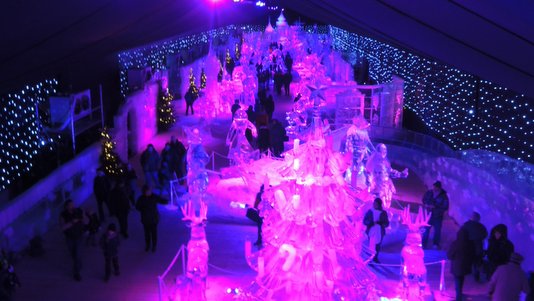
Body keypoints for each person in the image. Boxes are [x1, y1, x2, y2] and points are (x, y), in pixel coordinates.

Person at [136, 185, 167, 252]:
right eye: (147, 191)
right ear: (144, 192)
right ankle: (148, 245)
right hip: (145, 219)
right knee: (147, 234)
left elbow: (161, 200)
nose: (149, 192)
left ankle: (154, 246)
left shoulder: (153, 196)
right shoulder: (141, 198)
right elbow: (137, 207)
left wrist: (166, 201)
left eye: (149, 191)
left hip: (153, 219)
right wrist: (143, 209)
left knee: (154, 233)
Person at [59, 200, 85, 281]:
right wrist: (72, 222)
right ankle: (78, 264)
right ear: (66, 206)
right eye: (70, 205)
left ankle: (76, 273)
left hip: (79, 237)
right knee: (74, 255)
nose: (72, 206)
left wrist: (85, 216)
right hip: (69, 238)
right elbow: (63, 228)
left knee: (77, 255)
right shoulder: (63, 215)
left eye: (73, 204)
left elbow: (86, 222)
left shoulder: (79, 211)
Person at [447, 227, 475, 301]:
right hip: (465, 266)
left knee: (457, 280)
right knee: (461, 279)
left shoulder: (455, 243)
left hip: (456, 266)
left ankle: (458, 296)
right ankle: (459, 293)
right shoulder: (470, 244)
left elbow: (450, 255)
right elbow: (472, 254)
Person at [461, 211, 488, 282]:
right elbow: (485, 235)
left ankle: (465, 275)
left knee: (467, 261)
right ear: (478, 219)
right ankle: (476, 277)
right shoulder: (481, 227)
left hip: (467, 247)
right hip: (478, 248)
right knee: (477, 263)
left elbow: (461, 235)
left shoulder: (466, 225)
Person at [422, 181, 449, 249]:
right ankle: (423, 243)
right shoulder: (429, 192)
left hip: (437, 216)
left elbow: (445, 207)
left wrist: (435, 207)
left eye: (435, 188)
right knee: (426, 230)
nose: (433, 189)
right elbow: (424, 199)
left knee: (437, 231)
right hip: (428, 215)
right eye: (433, 187)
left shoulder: (443, 196)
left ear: (439, 188)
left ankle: (435, 244)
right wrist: (426, 204)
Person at [363, 198, 389, 263]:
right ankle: (369, 258)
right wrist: (371, 223)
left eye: (376, 204)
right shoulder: (370, 211)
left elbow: (386, 223)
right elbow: (365, 221)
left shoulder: (383, 213)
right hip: (371, 231)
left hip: (379, 231)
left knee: (377, 245)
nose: (374, 205)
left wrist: (380, 223)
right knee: (371, 244)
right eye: (374, 204)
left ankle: (375, 257)